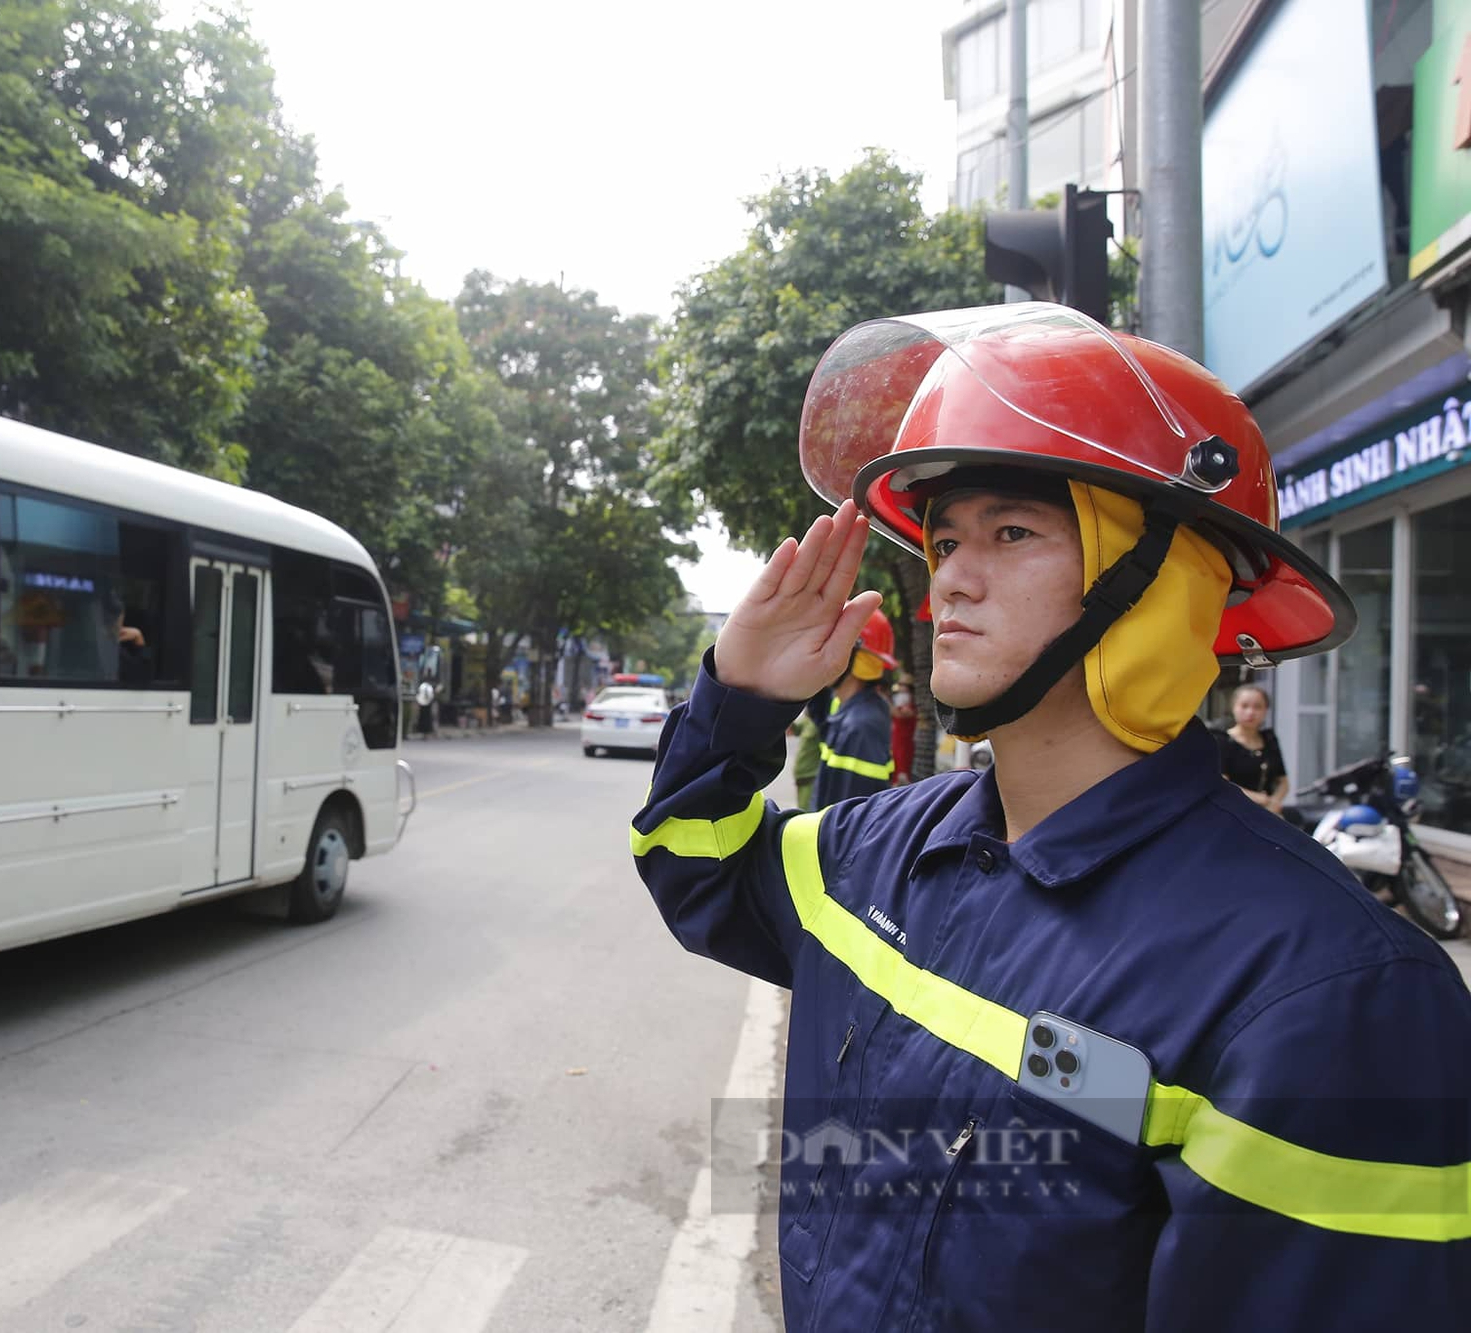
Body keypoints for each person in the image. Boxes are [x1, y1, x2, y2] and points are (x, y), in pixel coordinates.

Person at [630, 304, 1470, 1332]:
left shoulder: (1325, 996)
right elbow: (692, 864)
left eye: (1011, 532)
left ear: (1156, 583)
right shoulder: (873, 851)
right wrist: (737, 700)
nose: (951, 577)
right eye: (942, 539)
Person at [801, 605, 896, 809]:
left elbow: (849, 824)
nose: (821, 654)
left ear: (855, 658)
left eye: (830, 646)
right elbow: (822, 720)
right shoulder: (845, 706)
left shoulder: (861, 726)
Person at [1214, 682, 1288, 814]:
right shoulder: (1222, 741)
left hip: (1268, 812)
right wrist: (1259, 799)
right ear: (1233, 708)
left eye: (1257, 707)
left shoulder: (1269, 740)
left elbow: (1283, 781)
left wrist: (1275, 801)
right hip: (1233, 812)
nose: (1250, 712)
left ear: (1266, 710)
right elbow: (1222, 782)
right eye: (1244, 706)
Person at [889, 671, 917, 786]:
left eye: (902, 685)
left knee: (903, 764)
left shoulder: (909, 702)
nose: (900, 687)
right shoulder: (900, 700)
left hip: (905, 739)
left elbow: (900, 714)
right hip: (897, 737)